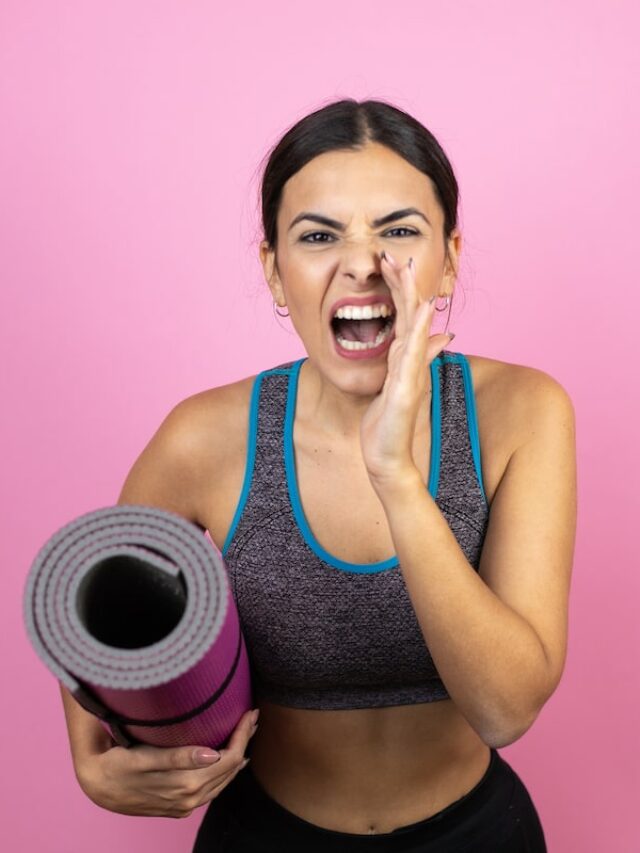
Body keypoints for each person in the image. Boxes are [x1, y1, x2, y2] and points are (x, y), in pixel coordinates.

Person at [60, 99, 577, 851]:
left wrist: (394, 474)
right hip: (261, 833)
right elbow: (90, 607)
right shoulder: (204, 437)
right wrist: (88, 758)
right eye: (318, 235)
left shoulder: (521, 410)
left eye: (399, 230)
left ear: (451, 257)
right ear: (274, 270)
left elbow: (506, 710)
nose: (364, 263)